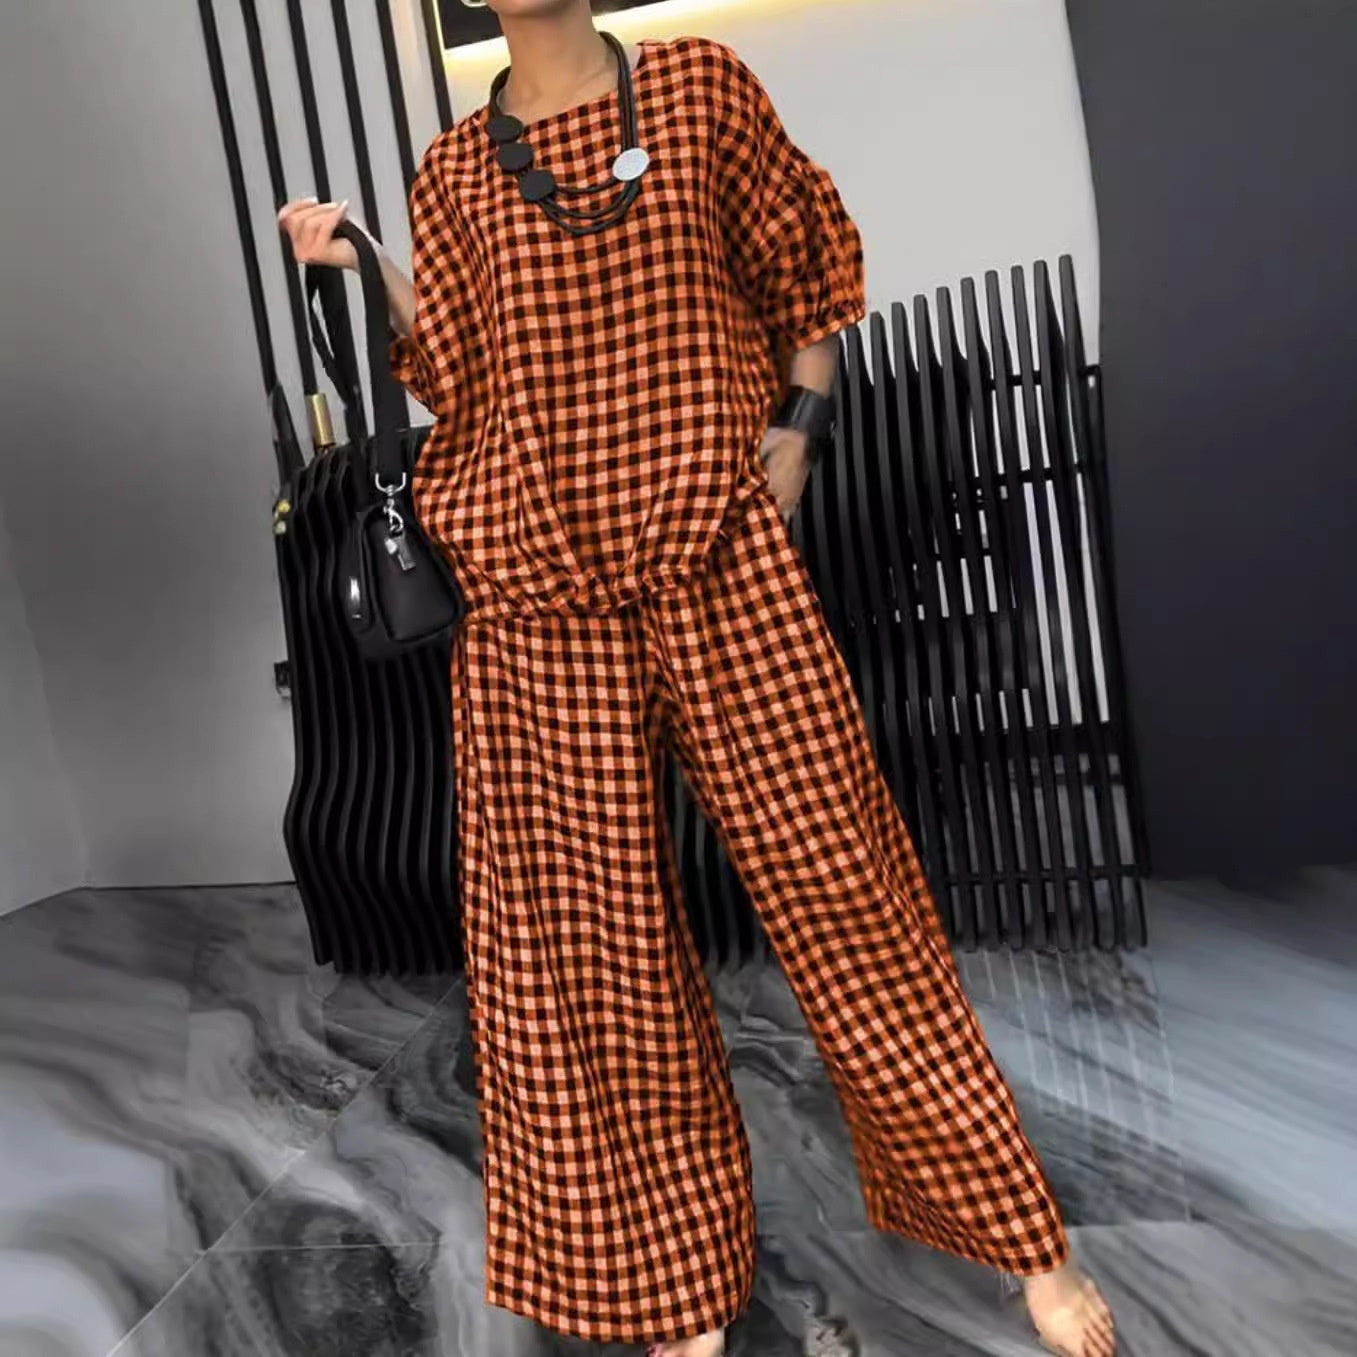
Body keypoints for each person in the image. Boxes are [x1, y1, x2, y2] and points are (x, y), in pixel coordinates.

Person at [278, 2, 1116, 1354]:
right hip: (538, 602)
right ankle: (677, 1289)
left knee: (848, 893)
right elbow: (460, 370)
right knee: (594, 952)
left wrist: (801, 423)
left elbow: (802, 276)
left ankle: (1023, 1240)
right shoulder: (455, 170)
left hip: (715, 557)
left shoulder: (700, 90)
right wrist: (365, 259)